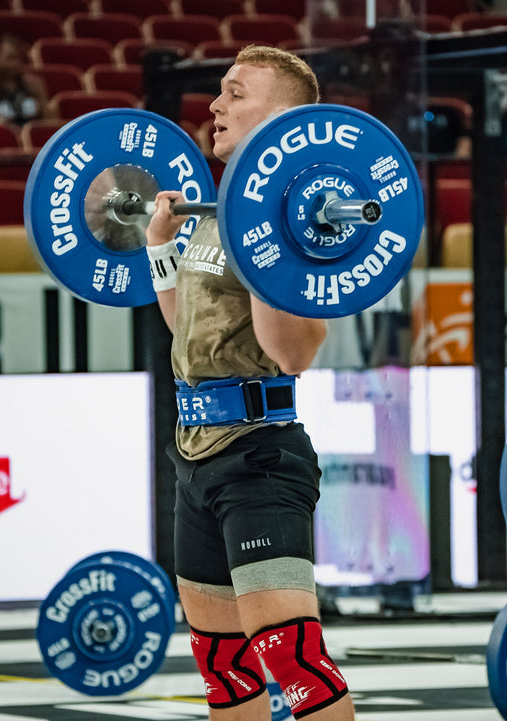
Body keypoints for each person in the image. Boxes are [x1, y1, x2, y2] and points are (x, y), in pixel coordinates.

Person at [144, 45, 355, 720]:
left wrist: (267, 240)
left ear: (285, 118)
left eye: (235, 93)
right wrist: (159, 249)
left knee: (293, 665)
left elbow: (293, 351)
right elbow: (188, 331)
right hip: (196, 455)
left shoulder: (302, 215)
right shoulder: (222, 208)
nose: (214, 106)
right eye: (219, 93)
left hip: (260, 459)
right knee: (226, 673)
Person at [0, 34, 53, 126]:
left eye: (18, 58)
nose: (15, 63)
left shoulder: (35, 85)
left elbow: (49, 122)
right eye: (10, 58)